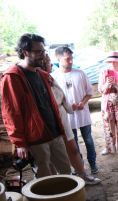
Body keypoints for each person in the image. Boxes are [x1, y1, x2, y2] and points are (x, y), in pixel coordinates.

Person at [1, 33, 71, 178]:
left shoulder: (43, 74)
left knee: (66, 173)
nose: (42, 56)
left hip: (55, 133)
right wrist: (19, 143)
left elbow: (51, 105)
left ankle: (69, 200)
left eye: (43, 51)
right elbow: (11, 113)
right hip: (36, 139)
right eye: (38, 52)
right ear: (25, 52)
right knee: (43, 178)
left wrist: (61, 130)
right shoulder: (12, 77)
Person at [43, 54, 101, 185]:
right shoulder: (54, 77)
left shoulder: (80, 73)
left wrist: (81, 103)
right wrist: (69, 106)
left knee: (87, 139)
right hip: (63, 117)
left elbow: (89, 91)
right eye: (67, 59)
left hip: (78, 113)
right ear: (59, 59)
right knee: (71, 145)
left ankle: (91, 164)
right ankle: (76, 169)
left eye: (71, 58)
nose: (70, 61)